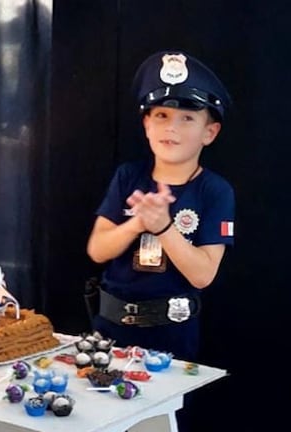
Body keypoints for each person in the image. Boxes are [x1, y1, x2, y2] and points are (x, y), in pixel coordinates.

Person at [86, 50, 235, 362]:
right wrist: (137, 223)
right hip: (111, 330)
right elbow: (97, 250)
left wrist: (164, 227)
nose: (172, 129)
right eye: (161, 116)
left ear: (210, 132)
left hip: (171, 336)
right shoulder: (129, 177)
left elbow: (203, 275)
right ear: (146, 125)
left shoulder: (215, 191)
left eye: (187, 119)